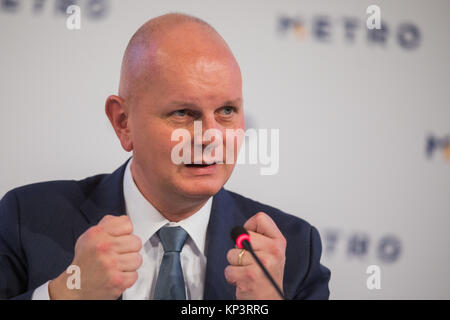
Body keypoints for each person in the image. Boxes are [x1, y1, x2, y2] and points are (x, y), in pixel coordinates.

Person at [0, 13, 330, 300]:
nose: (211, 137)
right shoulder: (26, 219)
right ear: (123, 122)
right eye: (183, 113)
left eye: (227, 110)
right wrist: (63, 295)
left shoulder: (295, 251)